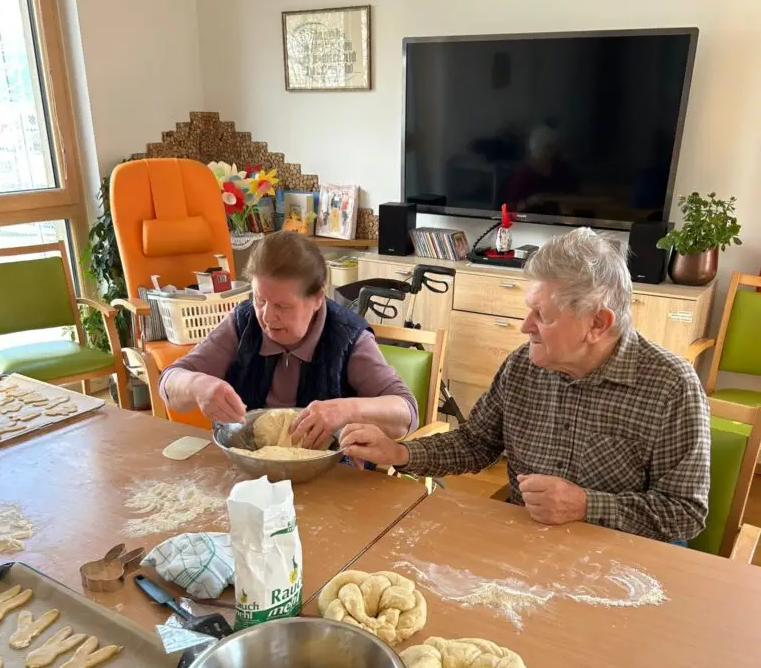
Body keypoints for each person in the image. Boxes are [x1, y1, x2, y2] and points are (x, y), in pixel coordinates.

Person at [341, 227, 711, 543]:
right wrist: (399, 453)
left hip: (623, 563)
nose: (525, 326)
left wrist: (585, 505)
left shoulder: (671, 386)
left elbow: (685, 513)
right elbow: (476, 443)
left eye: (543, 316)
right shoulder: (523, 366)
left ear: (597, 323)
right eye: (529, 309)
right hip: (527, 547)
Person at [160, 232, 418, 447]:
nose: (266, 316)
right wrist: (197, 385)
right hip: (249, 472)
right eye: (260, 300)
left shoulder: (349, 337)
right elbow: (169, 381)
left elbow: (407, 413)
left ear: (317, 299)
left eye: (282, 306)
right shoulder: (242, 323)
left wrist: (346, 410)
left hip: (331, 478)